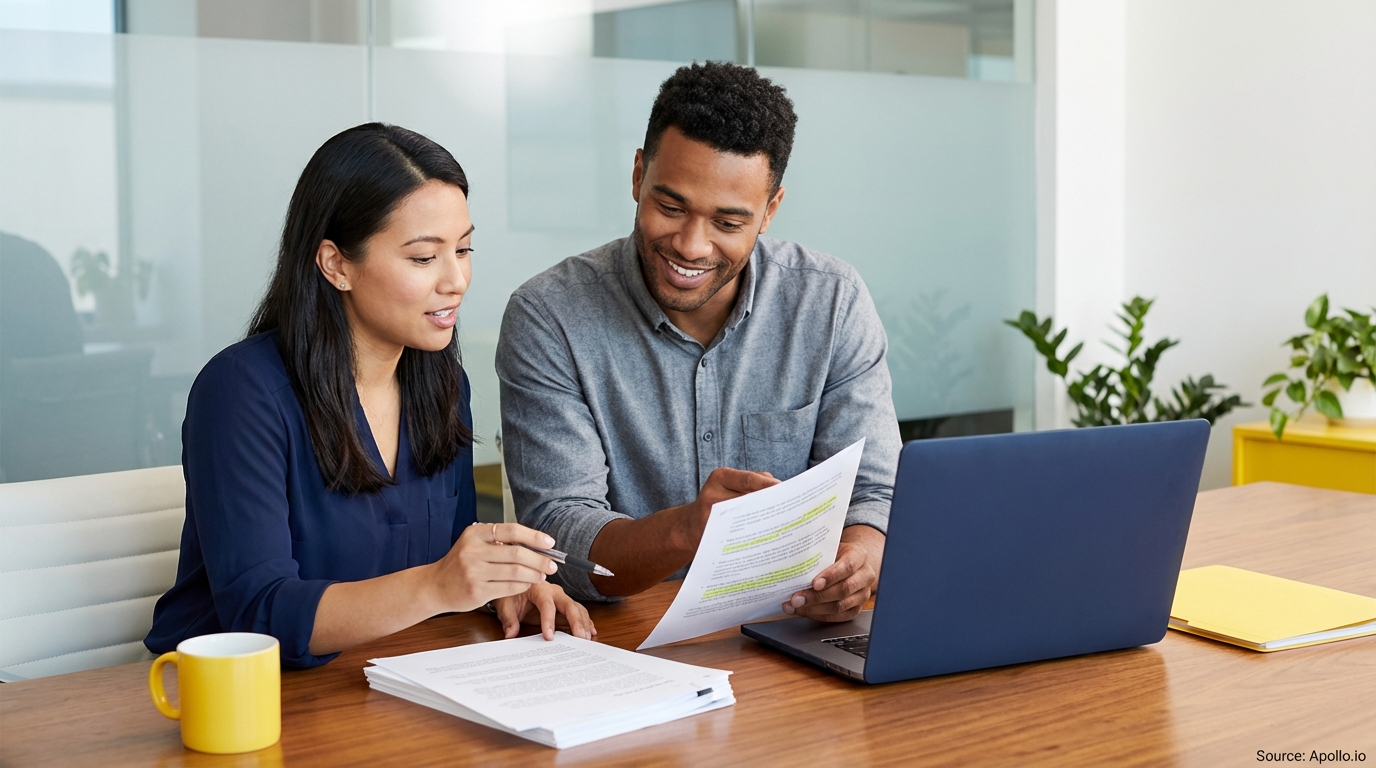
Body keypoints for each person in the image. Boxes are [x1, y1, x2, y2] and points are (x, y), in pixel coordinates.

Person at [146, 124, 593, 668]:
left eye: (464, 249)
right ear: (336, 264)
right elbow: (258, 614)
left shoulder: (442, 383)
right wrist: (440, 585)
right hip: (240, 705)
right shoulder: (241, 393)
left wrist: (498, 587)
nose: (456, 280)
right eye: (424, 259)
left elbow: (451, 559)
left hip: (388, 682)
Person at [495, 63, 901, 623]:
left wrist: (858, 564)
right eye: (671, 207)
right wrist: (686, 531)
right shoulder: (550, 317)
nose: (691, 245)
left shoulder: (830, 302)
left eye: (728, 223)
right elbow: (561, 535)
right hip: (622, 640)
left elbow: (873, 492)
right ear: (638, 175)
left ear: (770, 210)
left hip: (791, 631)